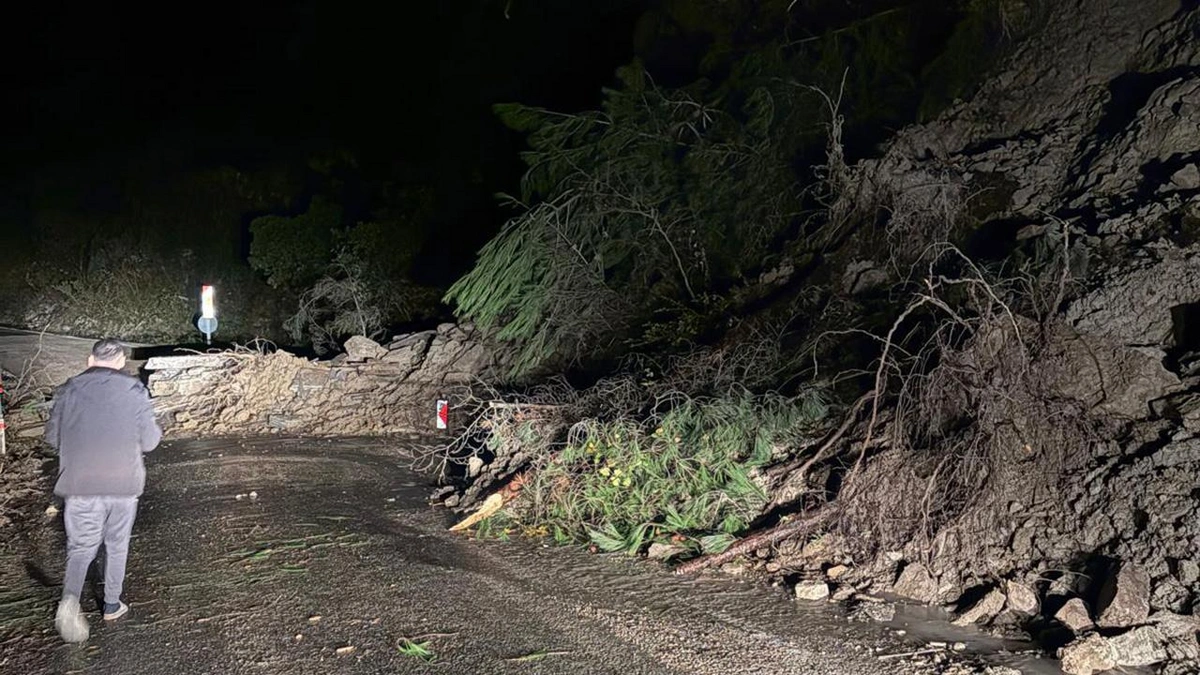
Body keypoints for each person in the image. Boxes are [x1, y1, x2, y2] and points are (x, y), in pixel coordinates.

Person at [44, 338, 162, 643]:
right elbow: (150, 441)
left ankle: (70, 599)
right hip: (123, 483)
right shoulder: (136, 391)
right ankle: (112, 604)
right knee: (117, 543)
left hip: (80, 484)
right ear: (121, 362)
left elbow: (52, 438)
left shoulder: (68, 391)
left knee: (81, 547)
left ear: (89, 360)